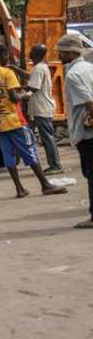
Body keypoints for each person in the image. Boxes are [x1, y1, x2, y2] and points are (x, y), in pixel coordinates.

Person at [0, 44, 68, 199]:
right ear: (5, 56)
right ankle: (45, 185)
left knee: (8, 155)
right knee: (30, 150)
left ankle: (19, 188)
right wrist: (24, 96)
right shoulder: (7, 73)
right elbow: (14, 97)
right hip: (15, 120)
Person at [57, 33, 93, 228]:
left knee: (91, 174)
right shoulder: (89, 67)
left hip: (87, 133)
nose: (59, 55)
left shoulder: (73, 74)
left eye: (61, 52)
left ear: (69, 52)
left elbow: (89, 102)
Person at [25, 43, 63, 174]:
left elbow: (33, 87)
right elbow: (32, 80)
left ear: (35, 54)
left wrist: (19, 91)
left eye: (32, 50)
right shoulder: (40, 67)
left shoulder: (38, 69)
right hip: (41, 108)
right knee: (46, 137)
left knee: (47, 138)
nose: (29, 52)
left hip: (42, 108)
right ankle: (53, 164)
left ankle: (55, 165)